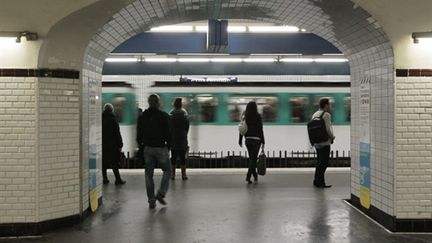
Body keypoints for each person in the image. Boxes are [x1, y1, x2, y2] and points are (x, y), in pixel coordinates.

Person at [137, 94, 172, 209]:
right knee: (167, 170)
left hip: (147, 148)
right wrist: (169, 146)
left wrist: (141, 146)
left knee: (148, 174)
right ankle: (161, 193)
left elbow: (139, 135)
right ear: (158, 103)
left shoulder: (142, 117)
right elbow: (169, 133)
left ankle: (151, 200)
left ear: (148, 102)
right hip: (161, 147)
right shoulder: (164, 116)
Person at [311, 98, 336, 188]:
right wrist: (332, 137)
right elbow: (328, 129)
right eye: (330, 105)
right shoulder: (326, 115)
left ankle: (316, 181)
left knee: (319, 162)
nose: (330, 106)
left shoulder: (315, 114)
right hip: (325, 142)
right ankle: (320, 183)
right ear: (326, 105)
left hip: (317, 142)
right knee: (324, 163)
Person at [238, 101, 265, 184]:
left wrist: (240, 140)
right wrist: (263, 141)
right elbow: (260, 129)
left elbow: (242, 128)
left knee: (252, 159)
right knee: (253, 159)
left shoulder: (245, 116)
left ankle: (255, 176)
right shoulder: (258, 116)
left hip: (248, 140)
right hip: (256, 140)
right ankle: (248, 176)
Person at [102, 103, 126, 185]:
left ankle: (105, 179)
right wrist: (120, 144)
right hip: (112, 145)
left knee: (104, 163)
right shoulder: (113, 119)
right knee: (114, 163)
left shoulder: (100, 119)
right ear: (112, 110)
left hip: (103, 144)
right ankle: (118, 179)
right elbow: (117, 133)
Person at [169, 98, 190, 180]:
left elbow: (169, 127)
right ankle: (183, 175)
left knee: (173, 157)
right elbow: (187, 126)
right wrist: (184, 134)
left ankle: (172, 175)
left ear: (174, 104)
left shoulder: (171, 114)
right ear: (181, 104)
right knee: (182, 157)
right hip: (182, 137)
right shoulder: (184, 114)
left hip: (173, 138)